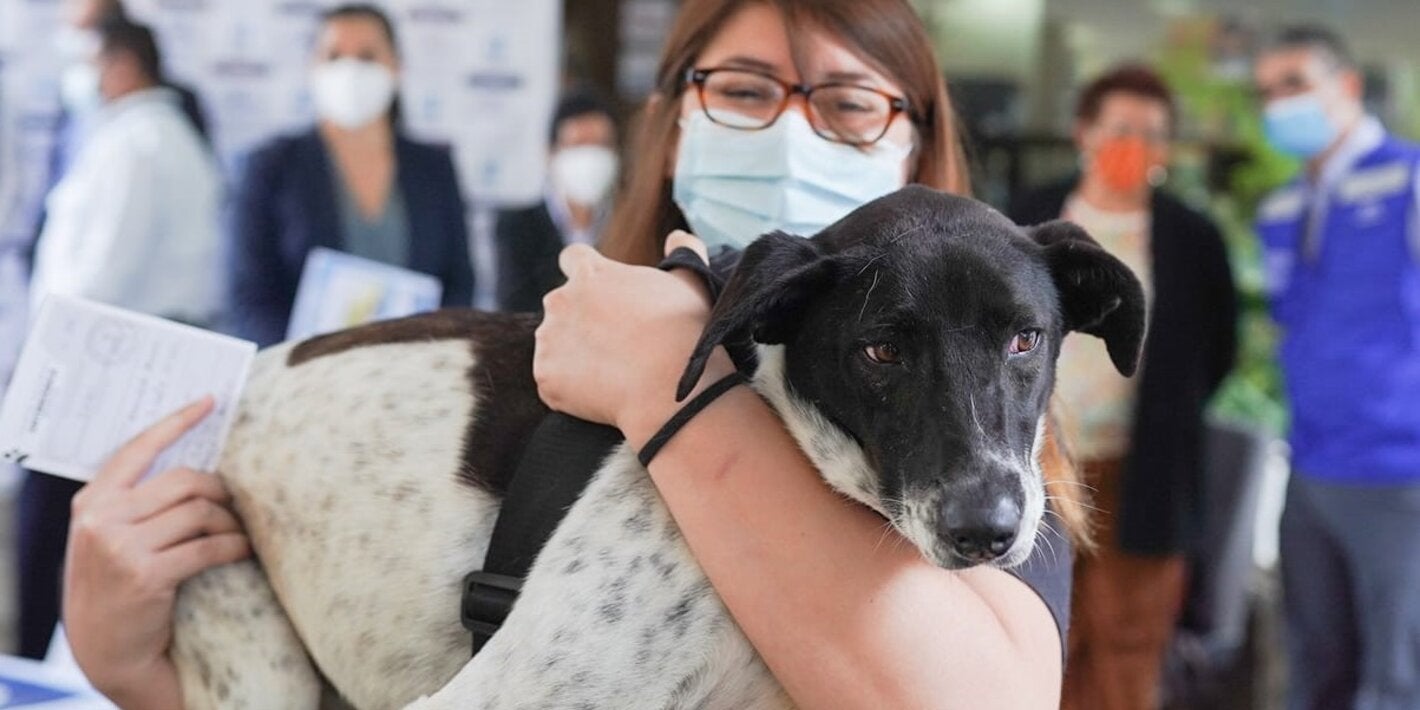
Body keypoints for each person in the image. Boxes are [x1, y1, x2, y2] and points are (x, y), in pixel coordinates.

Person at [66, 1, 1085, 706]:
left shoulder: (987, 466)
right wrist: (127, 660)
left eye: (848, 104)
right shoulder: (548, 354)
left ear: (917, 139)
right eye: (741, 91)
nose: (790, 134)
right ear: (672, 124)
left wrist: (669, 386)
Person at [1008, 64, 1237, 710]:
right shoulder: (1027, 215)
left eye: (1153, 133)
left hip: (1144, 475)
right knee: (1035, 637)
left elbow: (1216, 351)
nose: (1135, 143)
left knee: (1129, 647)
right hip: (1038, 468)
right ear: (1085, 133)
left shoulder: (1193, 239)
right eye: (1121, 128)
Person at [18, 17, 225, 662]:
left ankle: (40, 675)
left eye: (90, 61)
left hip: (100, 365)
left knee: (55, 541)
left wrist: (42, 363)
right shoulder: (160, 137)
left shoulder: (137, 142)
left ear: (125, 64)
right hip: (136, 360)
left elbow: (97, 272)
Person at [1253, 25, 1420, 710]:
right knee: (1312, 665)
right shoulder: (1282, 209)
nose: (1276, 104)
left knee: (1395, 677)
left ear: (1345, 86)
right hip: (1310, 469)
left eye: (1294, 84)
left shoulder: (1409, 180)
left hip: (1398, 477)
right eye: (1266, 91)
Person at [226, 3, 474, 347]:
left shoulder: (433, 167)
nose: (351, 69)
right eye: (334, 56)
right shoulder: (271, 167)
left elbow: (460, 283)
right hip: (300, 379)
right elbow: (249, 296)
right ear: (313, 67)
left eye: (367, 56)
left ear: (396, 66)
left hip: (415, 377)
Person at [495, 90, 620, 312]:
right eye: (579, 144)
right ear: (551, 153)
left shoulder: (626, 225)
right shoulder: (518, 226)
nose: (590, 156)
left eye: (601, 145)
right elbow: (515, 310)